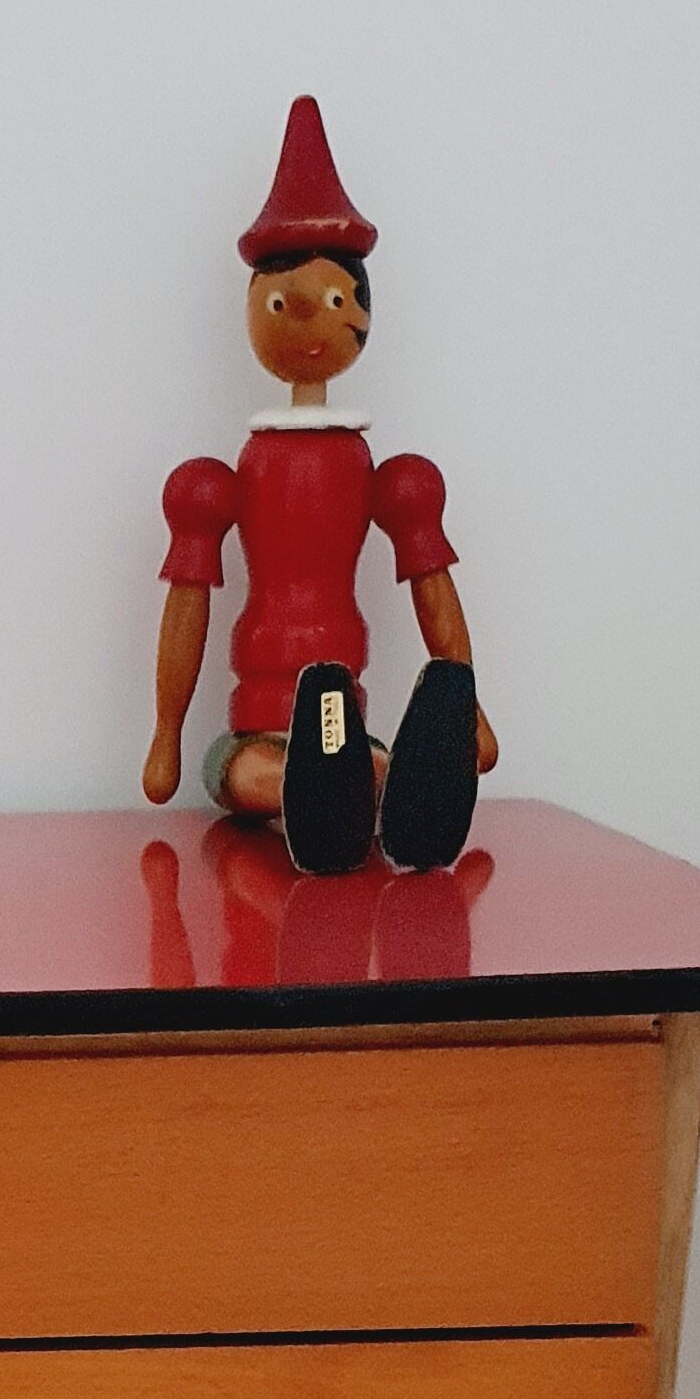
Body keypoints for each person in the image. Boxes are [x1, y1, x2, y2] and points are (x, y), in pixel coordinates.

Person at [142, 98, 497, 874]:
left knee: (344, 756)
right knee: (247, 775)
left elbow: (429, 578)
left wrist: (471, 713)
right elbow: (189, 597)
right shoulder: (228, 477)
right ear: (253, 314)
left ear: (364, 314)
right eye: (281, 302)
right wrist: (168, 738)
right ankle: (350, 795)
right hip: (254, 725)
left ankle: (358, 789)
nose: (307, 318)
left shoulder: (380, 475)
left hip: (343, 717)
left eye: (337, 301)